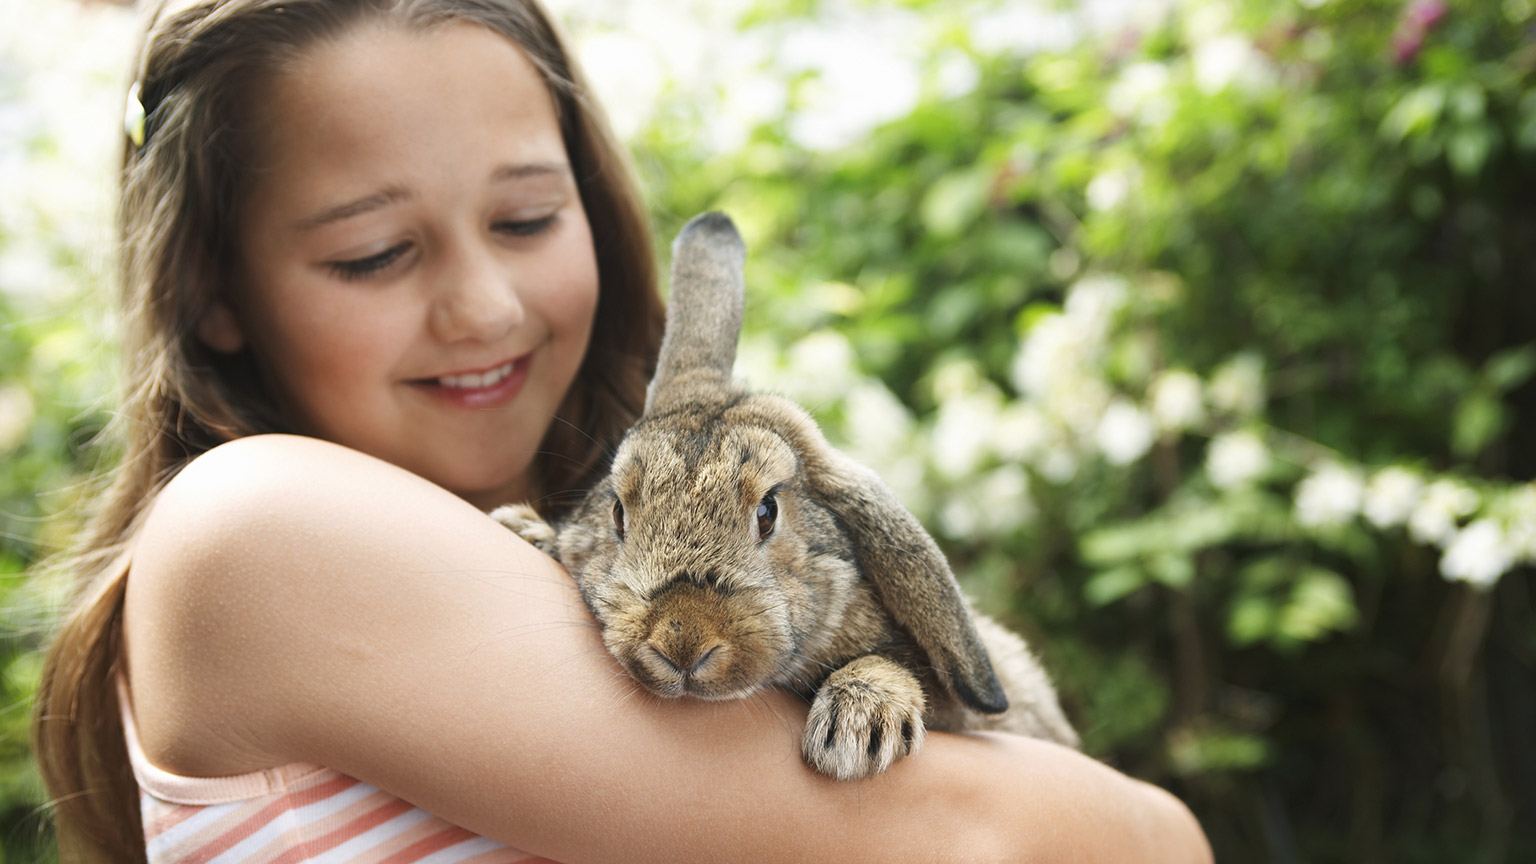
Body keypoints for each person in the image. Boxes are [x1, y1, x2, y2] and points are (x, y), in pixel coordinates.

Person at [31, 0, 1215, 861]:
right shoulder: (256, 531)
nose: (485, 307)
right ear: (211, 291)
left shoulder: (552, 554)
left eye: (530, 217)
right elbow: (1064, 839)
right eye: (373, 253)